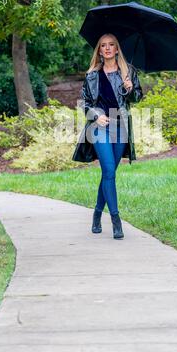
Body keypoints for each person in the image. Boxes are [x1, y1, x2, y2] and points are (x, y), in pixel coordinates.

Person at [72, 33, 143, 239]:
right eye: (103, 45)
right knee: (109, 170)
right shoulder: (92, 75)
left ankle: (96, 213)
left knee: (108, 174)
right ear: (100, 51)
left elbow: (137, 97)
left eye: (112, 44)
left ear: (117, 49)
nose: (108, 48)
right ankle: (115, 220)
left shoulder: (128, 72)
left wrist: (130, 89)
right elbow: (84, 104)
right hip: (99, 128)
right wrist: (96, 115)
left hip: (120, 126)